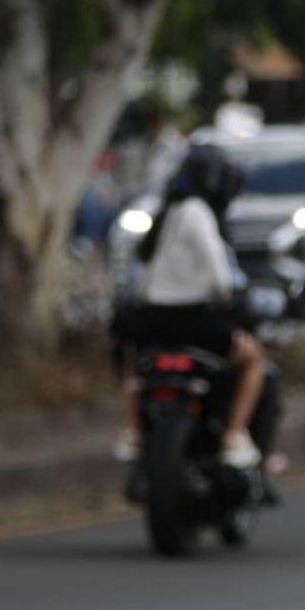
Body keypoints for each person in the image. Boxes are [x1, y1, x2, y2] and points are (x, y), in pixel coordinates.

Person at [112, 143, 265, 469]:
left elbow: (140, 274)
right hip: (200, 324)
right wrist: (232, 301)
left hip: (151, 323)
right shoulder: (198, 212)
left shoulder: (166, 214)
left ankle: (133, 431)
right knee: (253, 360)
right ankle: (235, 435)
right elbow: (220, 275)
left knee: (131, 365)